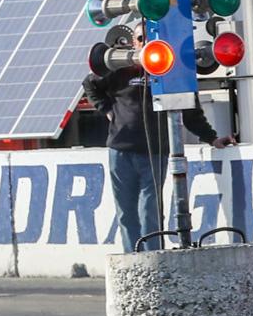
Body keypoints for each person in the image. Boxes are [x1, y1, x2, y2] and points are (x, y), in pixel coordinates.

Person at [83, 23, 236, 252]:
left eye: (150, 38)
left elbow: (191, 112)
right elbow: (90, 83)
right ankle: (132, 258)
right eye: (141, 38)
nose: (145, 43)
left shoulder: (173, 72)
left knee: (150, 210)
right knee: (126, 211)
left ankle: (154, 256)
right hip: (120, 150)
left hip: (155, 151)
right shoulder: (120, 68)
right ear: (134, 42)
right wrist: (107, 109)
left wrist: (212, 139)